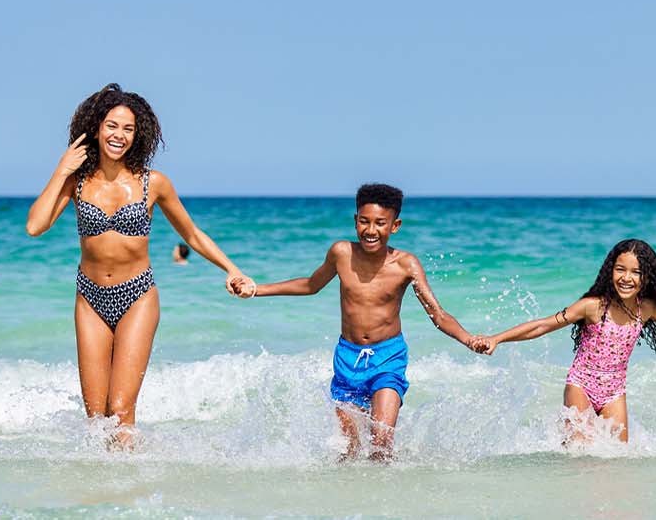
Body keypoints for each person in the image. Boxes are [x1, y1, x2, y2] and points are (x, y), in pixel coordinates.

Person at [24, 83, 256, 449]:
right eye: (112, 126)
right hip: (90, 298)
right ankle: (103, 482)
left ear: (138, 135)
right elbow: (35, 226)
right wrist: (61, 169)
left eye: (128, 129)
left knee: (120, 410)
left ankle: (130, 476)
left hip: (137, 296)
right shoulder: (77, 182)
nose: (119, 135)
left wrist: (232, 269)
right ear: (96, 128)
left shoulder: (153, 183)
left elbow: (192, 234)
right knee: (96, 418)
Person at [244, 183, 478, 462]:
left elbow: (437, 314)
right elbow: (310, 285)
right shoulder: (341, 253)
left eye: (380, 223)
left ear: (395, 226)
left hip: (388, 358)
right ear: (355, 220)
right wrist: (256, 289)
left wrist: (468, 338)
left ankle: (391, 487)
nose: (370, 230)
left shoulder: (406, 265)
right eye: (364, 221)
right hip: (347, 359)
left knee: (381, 443)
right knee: (349, 451)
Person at [469, 239, 656, 443]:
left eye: (636, 272)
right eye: (620, 269)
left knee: (617, 459)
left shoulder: (646, 309)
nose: (626, 278)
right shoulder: (593, 306)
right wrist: (497, 338)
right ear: (610, 271)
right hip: (581, 385)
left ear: (646, 278)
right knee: (580, 452)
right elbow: (543, 325)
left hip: (614, 392)